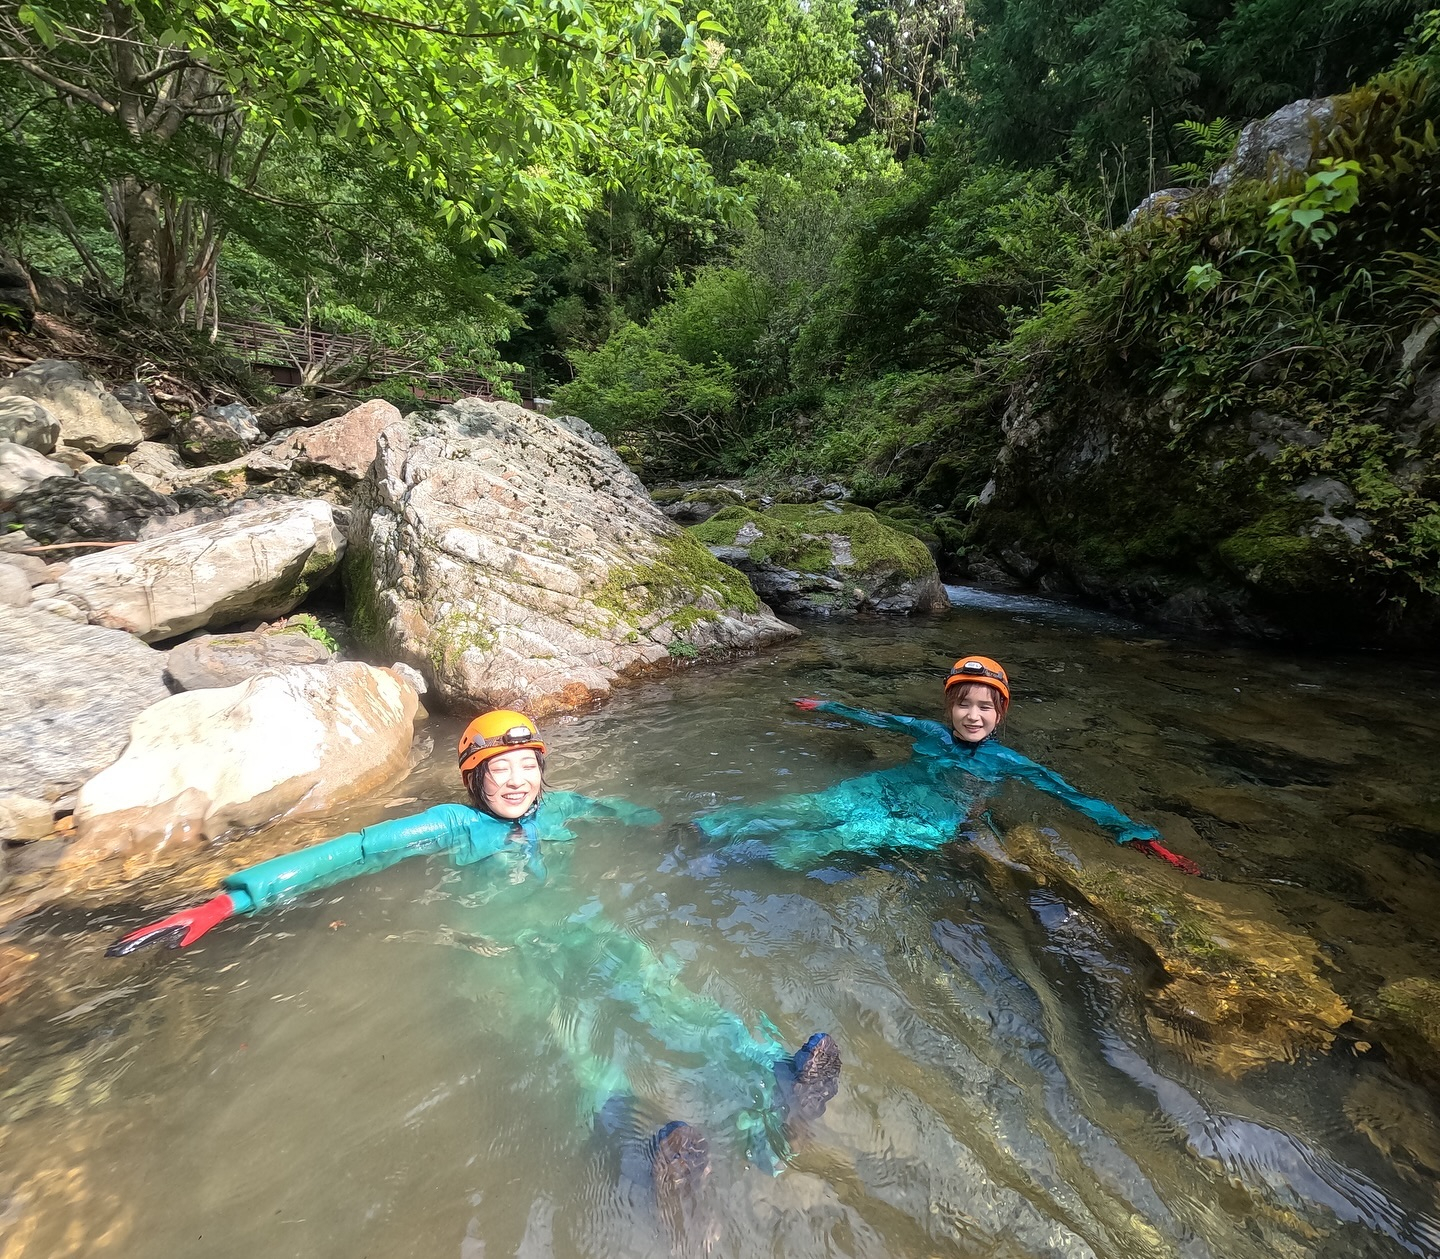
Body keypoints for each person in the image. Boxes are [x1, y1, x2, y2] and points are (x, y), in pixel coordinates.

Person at [107, 708, 841, 1191]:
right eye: (500, 769)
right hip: (493, 949)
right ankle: (644, 1144)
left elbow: (617, 811)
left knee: (665, 989)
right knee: (567, 1038)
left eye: (528, 766)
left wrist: (673, 826)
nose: (517, 780)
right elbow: (352, 848)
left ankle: (773, 1072)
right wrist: (228, 900)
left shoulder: (559, 808)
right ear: (473, 778)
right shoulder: (449, 826)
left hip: (575, 926)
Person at [693, 655, 1201, 875]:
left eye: (985, 706)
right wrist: (827, 707)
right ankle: (705, 829)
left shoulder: (1009, 761)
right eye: (963, 704)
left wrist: (1137, 834)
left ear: (1000, 714)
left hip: (933, 818)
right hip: (885, 788)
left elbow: (1072, 795)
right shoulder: (928, 732)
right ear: (948, 708)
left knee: (826, 840)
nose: (973, 714)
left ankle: (752, 864)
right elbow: (878, 718)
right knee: (808, 805)